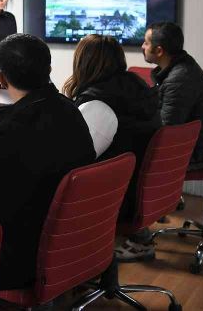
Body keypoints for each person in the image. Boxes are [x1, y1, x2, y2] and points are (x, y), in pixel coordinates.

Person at [0, 34, 95, 290]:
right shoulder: (71, 111)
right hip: (67, 241)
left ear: (1, 78)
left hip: (17, 257)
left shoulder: (13, 131)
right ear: (49, 70)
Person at [62, 34, 160, 259]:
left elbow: (73, 161)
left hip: (113, 197)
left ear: (83, 63)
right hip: (135, 189)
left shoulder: (98, 103)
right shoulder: (137, 87)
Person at [142, 22, 203, 170]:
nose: (142, 47)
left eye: (146, 43)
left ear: (159, 51)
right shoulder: (180, 67)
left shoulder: (179, 79)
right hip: (192, 147)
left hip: (195, 154)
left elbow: (165, 130)